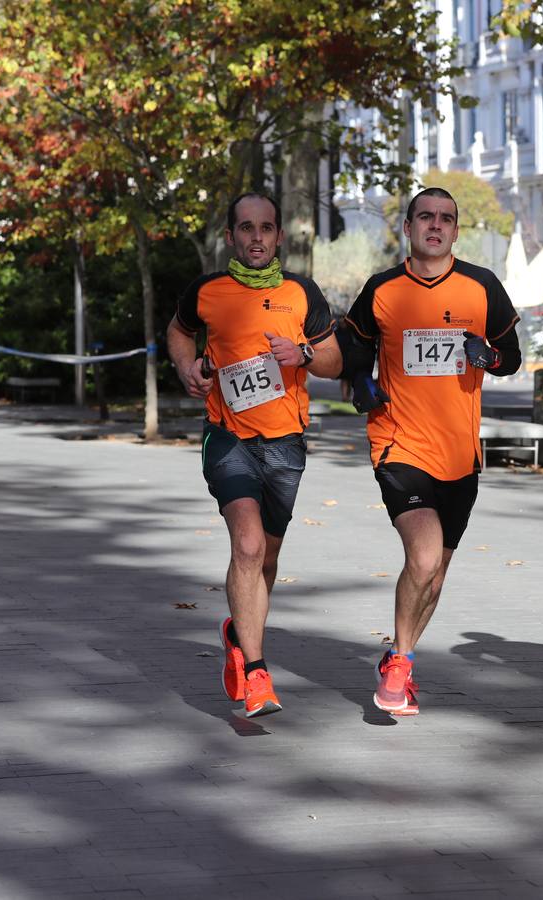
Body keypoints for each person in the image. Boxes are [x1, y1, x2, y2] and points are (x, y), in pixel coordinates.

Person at [342, 187, 522, 716]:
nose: (435, 226)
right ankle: (399, 663)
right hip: (399, 443)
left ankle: (402, 655)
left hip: (461, 455)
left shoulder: (482, 286)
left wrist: (486, 354)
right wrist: (360, 382)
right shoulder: (381, 290)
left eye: (446, 218)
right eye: (426, 217)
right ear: (408, 227)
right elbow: (351, 349)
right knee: (422, 557)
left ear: (456, 230)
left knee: (435, 574)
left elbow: (511, 357)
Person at [166, 192, 342, 717]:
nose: (257, 237)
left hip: (286, 443)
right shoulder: (208, 291)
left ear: (280, 236)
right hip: (228, 437)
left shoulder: (301, 292)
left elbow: (333, 359)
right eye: (246, 228)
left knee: (265, 558)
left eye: (266, 228)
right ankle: (258, 672)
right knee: (246, 546)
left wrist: (304, 353)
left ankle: (239, 636)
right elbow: (179, 331)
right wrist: (186, 366)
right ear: (231, 237)